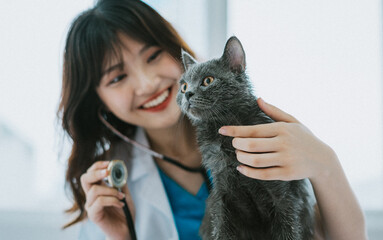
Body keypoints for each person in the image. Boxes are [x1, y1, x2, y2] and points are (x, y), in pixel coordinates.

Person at [58, 0, 367, 239]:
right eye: (118, 77)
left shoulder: (259, 130)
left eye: (153, 56)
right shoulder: (109, 187)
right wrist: (122, 237)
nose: (147, 83)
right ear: (99, 102)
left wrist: (325, 165)